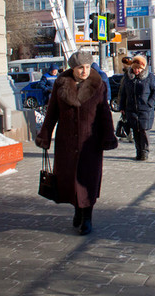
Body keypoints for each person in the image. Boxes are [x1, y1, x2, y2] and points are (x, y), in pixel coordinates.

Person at [35, 51, 117, 236]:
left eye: (87, 67)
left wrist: (108, 136)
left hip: (90, 142)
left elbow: (104, 113)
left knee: (88, 180)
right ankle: (77, 211)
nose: (84, 71)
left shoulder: (99, 85)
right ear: (73, 68)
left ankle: (87, 218)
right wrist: (45, 136)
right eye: (81, 68)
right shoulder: (60, 84)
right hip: (67, 142)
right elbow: (52, 113)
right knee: (70, 180)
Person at [118, 55, 155, 161]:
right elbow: (123, 93)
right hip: (131, 110)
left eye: (138, 68)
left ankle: (144, 152)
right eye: (134, 68)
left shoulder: (149, 77)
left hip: (145, 110)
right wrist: (122, 107)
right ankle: (138, 152)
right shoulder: (128, 78)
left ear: (143, 68)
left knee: (144, 132)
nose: (136, 70)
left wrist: (150, 103)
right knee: (135, 132)